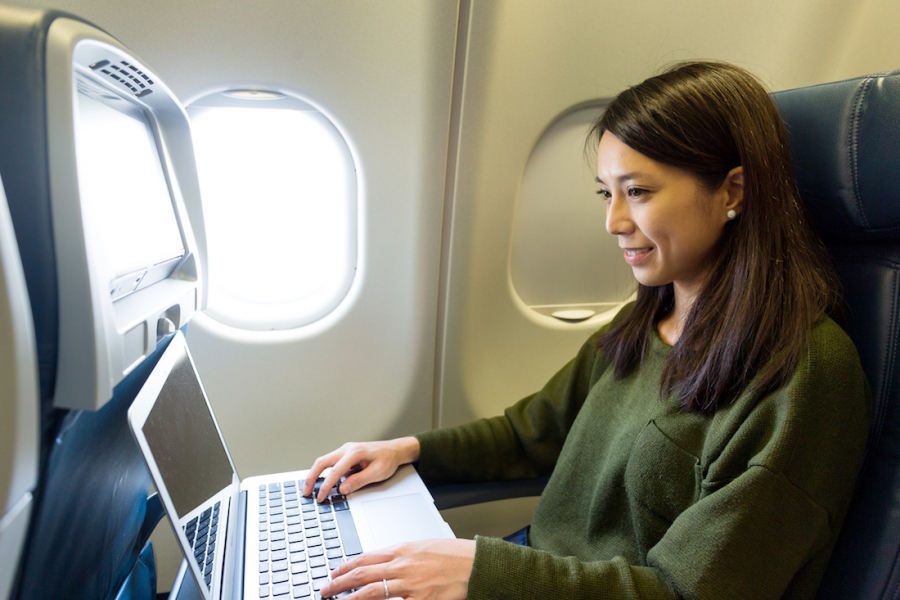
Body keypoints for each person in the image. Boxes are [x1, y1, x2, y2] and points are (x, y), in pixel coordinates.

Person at [301, 61, 871, 600]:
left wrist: (486, 572)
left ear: (732, 192)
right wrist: (410, 451)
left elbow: (688, 592)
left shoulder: (804, 375)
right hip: (534, 572)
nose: (613, 222)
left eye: (639, 191)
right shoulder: (646, 320)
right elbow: (530, 435)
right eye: (607, 192)